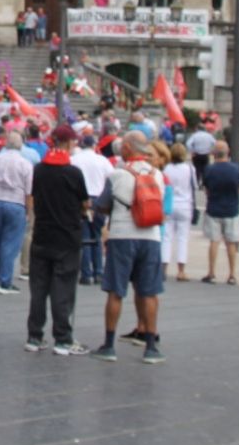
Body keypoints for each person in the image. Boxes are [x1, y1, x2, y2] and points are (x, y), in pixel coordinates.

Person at [91, 131, 166, 364]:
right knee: (149, 291)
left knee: (116, 290)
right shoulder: (158, 175)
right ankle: (151, 346)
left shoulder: (118, 174)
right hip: (151, 237)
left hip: (123, 235)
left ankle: (109, 344)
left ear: (128, 149)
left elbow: (102, 205)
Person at [25, 125, 89, 355]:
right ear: (68, 143)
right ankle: (62, 338)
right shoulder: (73, 172)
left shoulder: (39, 169)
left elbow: (34, 196)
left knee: (39, 287)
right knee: (63, 287)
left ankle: (34, 335)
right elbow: (84, 202)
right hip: (66, 236)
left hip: (42, 233)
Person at [0, 131, 32, 295]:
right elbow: (28, 191)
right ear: (20, 145)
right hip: (16, 202)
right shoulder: (25, 164)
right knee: (10, 243)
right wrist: (29, 211)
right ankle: (5, 280)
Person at [71, 132, 114, 285]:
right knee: (96, 236)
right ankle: (99, 272)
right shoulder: (102, 160)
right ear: (94, 145)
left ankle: (86, 273)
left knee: (84, 237)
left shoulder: (75, 159)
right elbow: (111, 178)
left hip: (81, 198)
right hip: (98, 198)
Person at [200, 139, 239, 286]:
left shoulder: (209, 169)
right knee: (231, 242)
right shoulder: (236, 168)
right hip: (232, 208)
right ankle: (232, 274)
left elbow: (206, 189)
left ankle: (211, 272)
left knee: (214, 241)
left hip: (214, 208)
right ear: (227, 152)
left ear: (214, 153)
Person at [161, 142, 198, 282]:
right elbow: (194, 185)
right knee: (182, 237)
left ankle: (163, 268)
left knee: (167, 237)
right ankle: (181, 270)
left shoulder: (167, 169)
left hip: (169, 204)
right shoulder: (189, 168)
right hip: (185, 204)